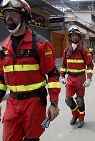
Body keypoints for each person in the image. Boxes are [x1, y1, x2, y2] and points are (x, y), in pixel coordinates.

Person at [0, 0, 61, 140]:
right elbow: (1, 78)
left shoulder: (40, 44)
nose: (9, 17)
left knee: (32, 139)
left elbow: (52, 74)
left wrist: (54, 103)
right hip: (12, 102)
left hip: (34, 103)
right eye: (7, 14)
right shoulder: (3, 47)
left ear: (24, 17)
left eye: (14, 14)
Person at [60, 25, 93, 128]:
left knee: (79, 100)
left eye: (76, 35)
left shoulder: (84, 51)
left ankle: (81, 118)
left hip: (80, 78)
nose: (74, 37)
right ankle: (75, 115)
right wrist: (62, 77)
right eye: (72, 35)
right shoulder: (66, 51)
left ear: (79, 37)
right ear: (70, 37)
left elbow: (90, 65)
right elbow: (64, 65)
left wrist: (89, 79)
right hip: (70, 78)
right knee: (68, 99)